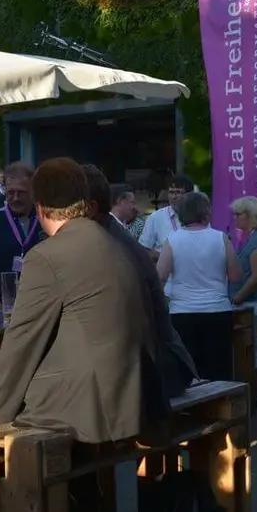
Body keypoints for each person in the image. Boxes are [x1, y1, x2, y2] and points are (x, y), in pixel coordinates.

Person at [0, 157, 151, 445]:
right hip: (132, 394)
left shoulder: (48, 254)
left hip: (88, 407)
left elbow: (21, 341)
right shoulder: (114, 241)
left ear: (40, 206)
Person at [84, 164, 196, 403]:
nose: (135, 206)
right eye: (172, 191)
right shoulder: (149, 222)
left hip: (151, 371)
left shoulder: (110, 241)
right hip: (156, 354)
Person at [157, 191, 243, 382]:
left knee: (187, 372)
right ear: (206, 211)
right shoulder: (221, 238)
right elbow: (236, 275)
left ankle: (192, 411)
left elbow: (159, 278)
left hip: (182, 313)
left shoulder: (172, 240)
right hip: (217, 311)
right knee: (218, 372)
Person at [228, 196, 257, 401]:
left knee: (250, 351)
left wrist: (237, 298)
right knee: (248, 350)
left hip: (252, 304)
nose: (235, 218)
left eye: (238, 214)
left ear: (251, 216)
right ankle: (252, 395)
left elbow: (256, 277)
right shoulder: (253, 237)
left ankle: (253, 395)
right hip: (249, 302)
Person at [0, 162, 44, 297]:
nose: (15, 198)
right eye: (10, 192)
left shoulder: (47, 221)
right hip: (2, 307)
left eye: (21, 193)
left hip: (40, 306)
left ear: (33, 191)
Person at [138, 174, 195, 261]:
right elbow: (144, 250)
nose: (174, 196)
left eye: (178, 192)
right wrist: (164, 257)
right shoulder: (156, 218)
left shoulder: (197, 216)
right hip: (166, 271)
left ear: (189, 194)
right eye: (171, 192)